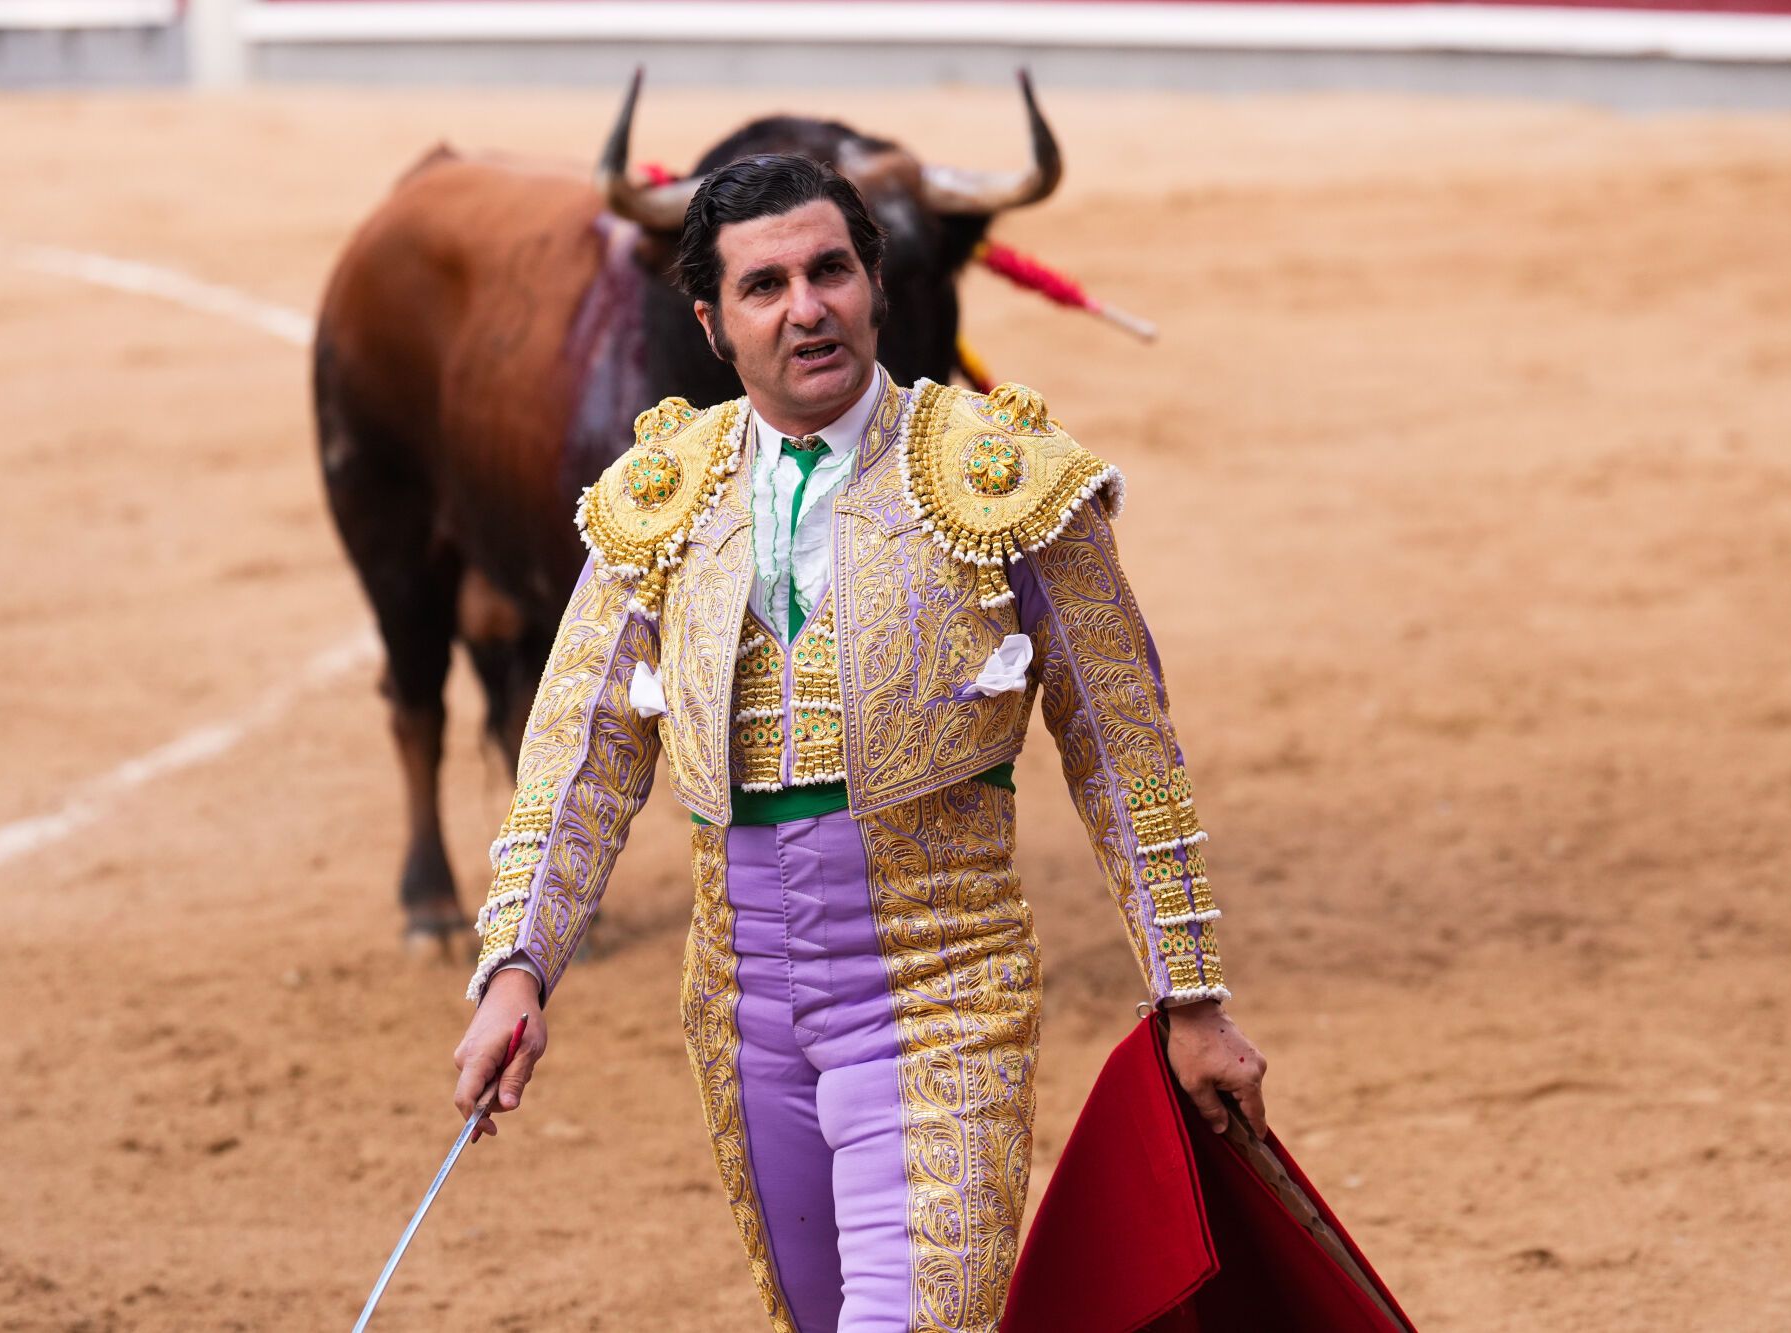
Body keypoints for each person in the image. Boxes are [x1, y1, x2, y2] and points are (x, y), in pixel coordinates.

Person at [451, 153, 1266, 1333]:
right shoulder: (662, 497)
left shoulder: (1003, 477)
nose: (807, 307)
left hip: (942, 988)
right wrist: (515, 966)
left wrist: (1188, 996)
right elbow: (576, 753)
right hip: (739, 1010)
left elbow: (1124, 745)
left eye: (829, 269)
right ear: (712, 324)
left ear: (875, 282)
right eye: (765, 285)